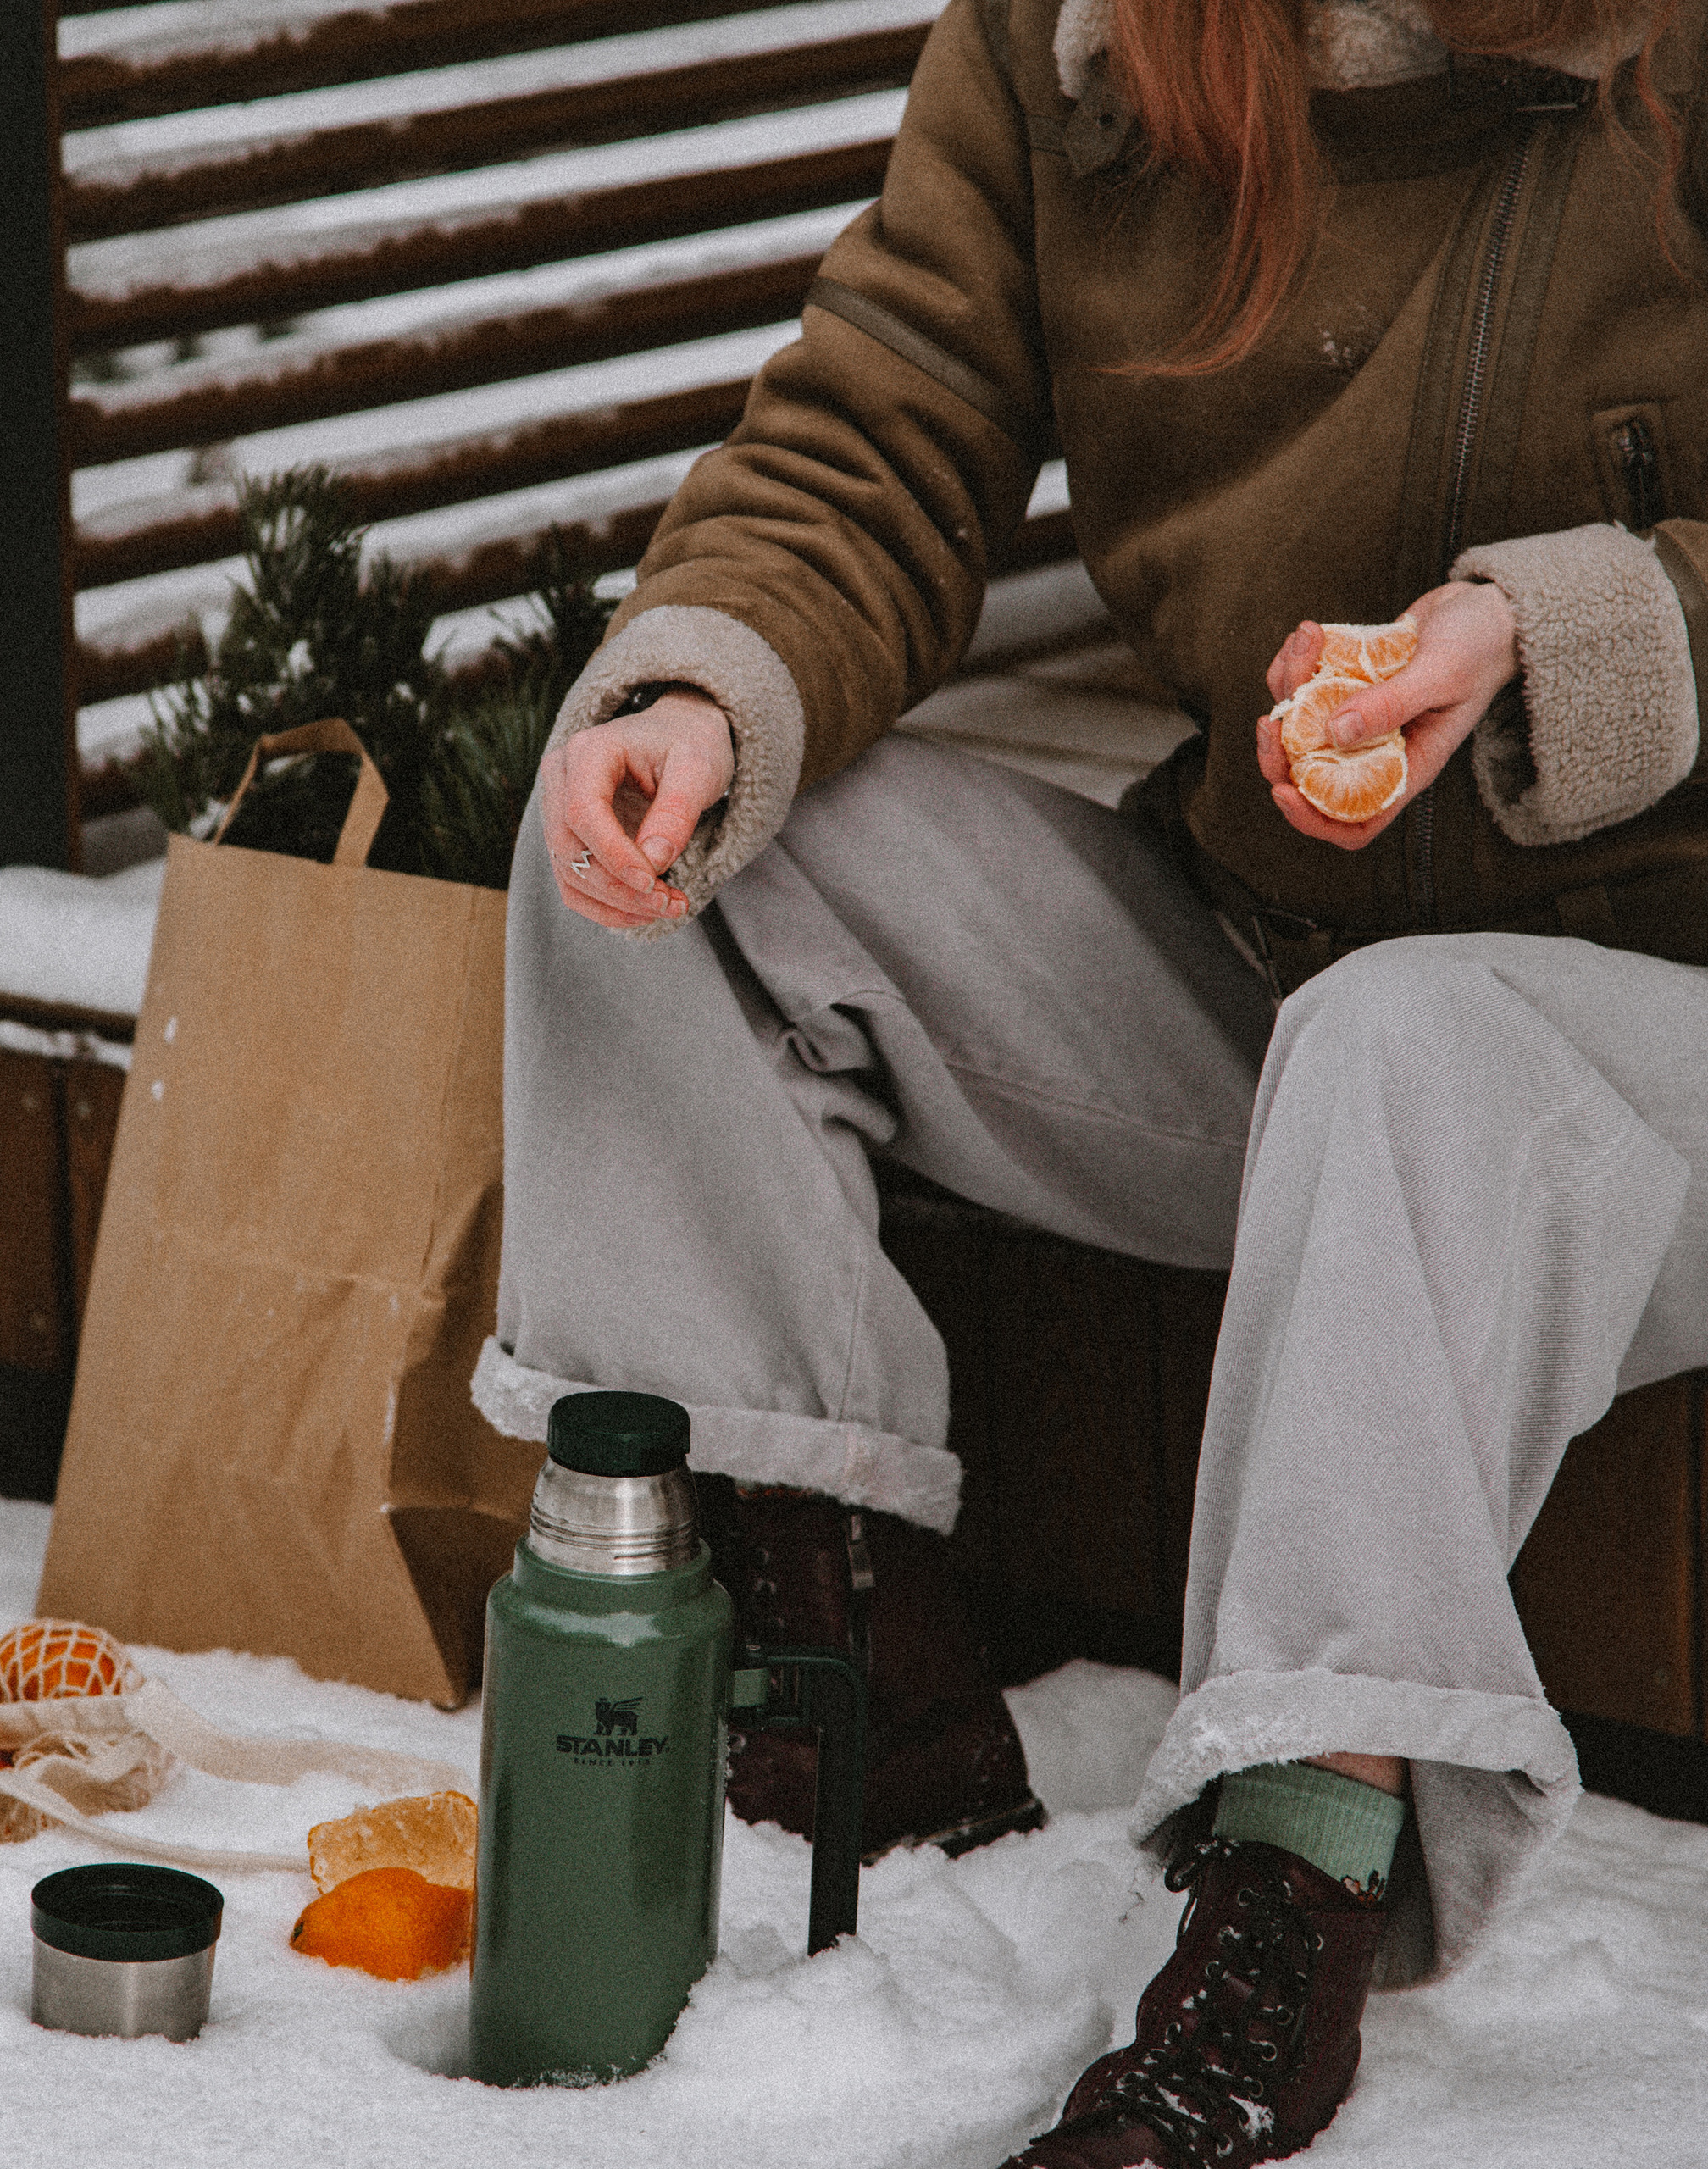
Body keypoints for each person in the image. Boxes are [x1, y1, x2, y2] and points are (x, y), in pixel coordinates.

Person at [473, 0, 1708, 2161]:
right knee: (669, 826)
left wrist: (1569, 631)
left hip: (1653, 1042)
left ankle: (1283, 1906)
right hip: (1272, 964)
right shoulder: (1080, 46)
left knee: (1406, 1041)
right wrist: (705, 682)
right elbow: (879, 428)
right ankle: (839, 1668)